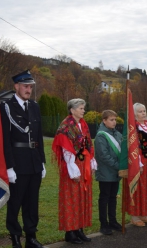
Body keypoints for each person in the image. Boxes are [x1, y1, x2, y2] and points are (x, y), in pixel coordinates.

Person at [0, 70, 46, 248]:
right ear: (16, 86)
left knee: (32, 202)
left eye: (31, 87)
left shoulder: (34, 106)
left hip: (34, 161)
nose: (29, 89)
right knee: (15, 202)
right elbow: (5, 138)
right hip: (17, 162)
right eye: (25, 86)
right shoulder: (6, 107)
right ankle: (15, 237)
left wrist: (42, 161)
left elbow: (39, 136)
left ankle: (31, 236)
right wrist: (9, 166)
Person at [52, 98, 97, 244]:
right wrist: (73, 169)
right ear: (72, 110)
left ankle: (80, 229)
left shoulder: (83, 124)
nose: (83, 110)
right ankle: (70, 232)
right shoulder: (66, 126)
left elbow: (88, 144)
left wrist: (91, 161)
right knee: (71, 198)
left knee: (82, 197)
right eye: (81, 108)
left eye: (83, 108)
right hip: (73, 166)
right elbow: (66, 149)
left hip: (84, 164)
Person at [94, 110, 122, 235]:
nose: (114, 122)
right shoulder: (101, 135)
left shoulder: (117, 134)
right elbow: (103, 155)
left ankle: (113, 221)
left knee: (113, 198)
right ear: (104, 120)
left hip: (116, 172)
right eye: (111, 119)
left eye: (115, 119)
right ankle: (103, 224)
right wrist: (118, 166)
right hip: (106, 172)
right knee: (104, 198)